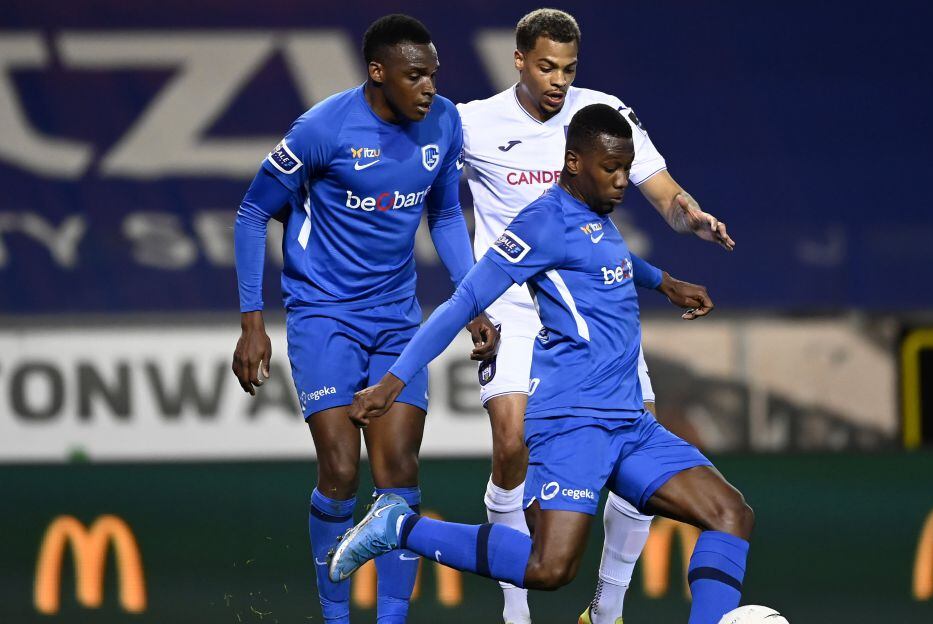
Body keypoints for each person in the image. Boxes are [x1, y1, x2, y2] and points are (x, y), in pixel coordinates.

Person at [330, 104, 754, 624]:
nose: (623, 181)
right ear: (574, 163)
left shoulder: (597, 214)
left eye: (627, 168)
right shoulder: (542, 223)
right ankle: (399, 527)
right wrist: (392, 381)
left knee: (730, 514)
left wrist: (664, 281)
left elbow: (610, 263)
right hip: (572, 420)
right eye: (611, 169)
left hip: (628, 423)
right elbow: (462, 302)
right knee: (550, 569)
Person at [455, 9, 735, 623]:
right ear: (520, 61)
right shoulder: (473, 124)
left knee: (640, 432)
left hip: (589, 300)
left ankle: (606, 609)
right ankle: (516, 611)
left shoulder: (600, 114)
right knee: (510, 445)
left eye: (569, 68)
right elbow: (443, 211)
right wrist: (467, 296)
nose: (559, 79)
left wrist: (691, 217)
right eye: (548, 67)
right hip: (512, 302)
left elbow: (663, 192)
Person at [230, 14, 497, 624]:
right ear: (377, 74)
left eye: (433, 74)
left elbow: (446, 217)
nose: (429, 87)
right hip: (323, 315)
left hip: (399, 318)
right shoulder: (323, 128)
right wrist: (252, 321)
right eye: (414, 76)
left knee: (399, 471)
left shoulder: (444, 122)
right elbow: (252, 215)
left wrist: (471, 302)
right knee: (342, 470)